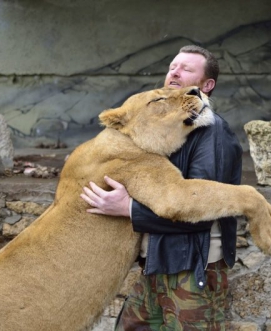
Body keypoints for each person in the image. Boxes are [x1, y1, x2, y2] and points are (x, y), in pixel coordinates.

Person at [80, 45, 242, 330]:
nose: (175, 72)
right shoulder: (164, 127)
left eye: (187, 69)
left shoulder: (212, 130)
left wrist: (128, 208)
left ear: (207, 85)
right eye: (172, 67)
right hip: (155, 265)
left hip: (192, 269)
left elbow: (200, 210)